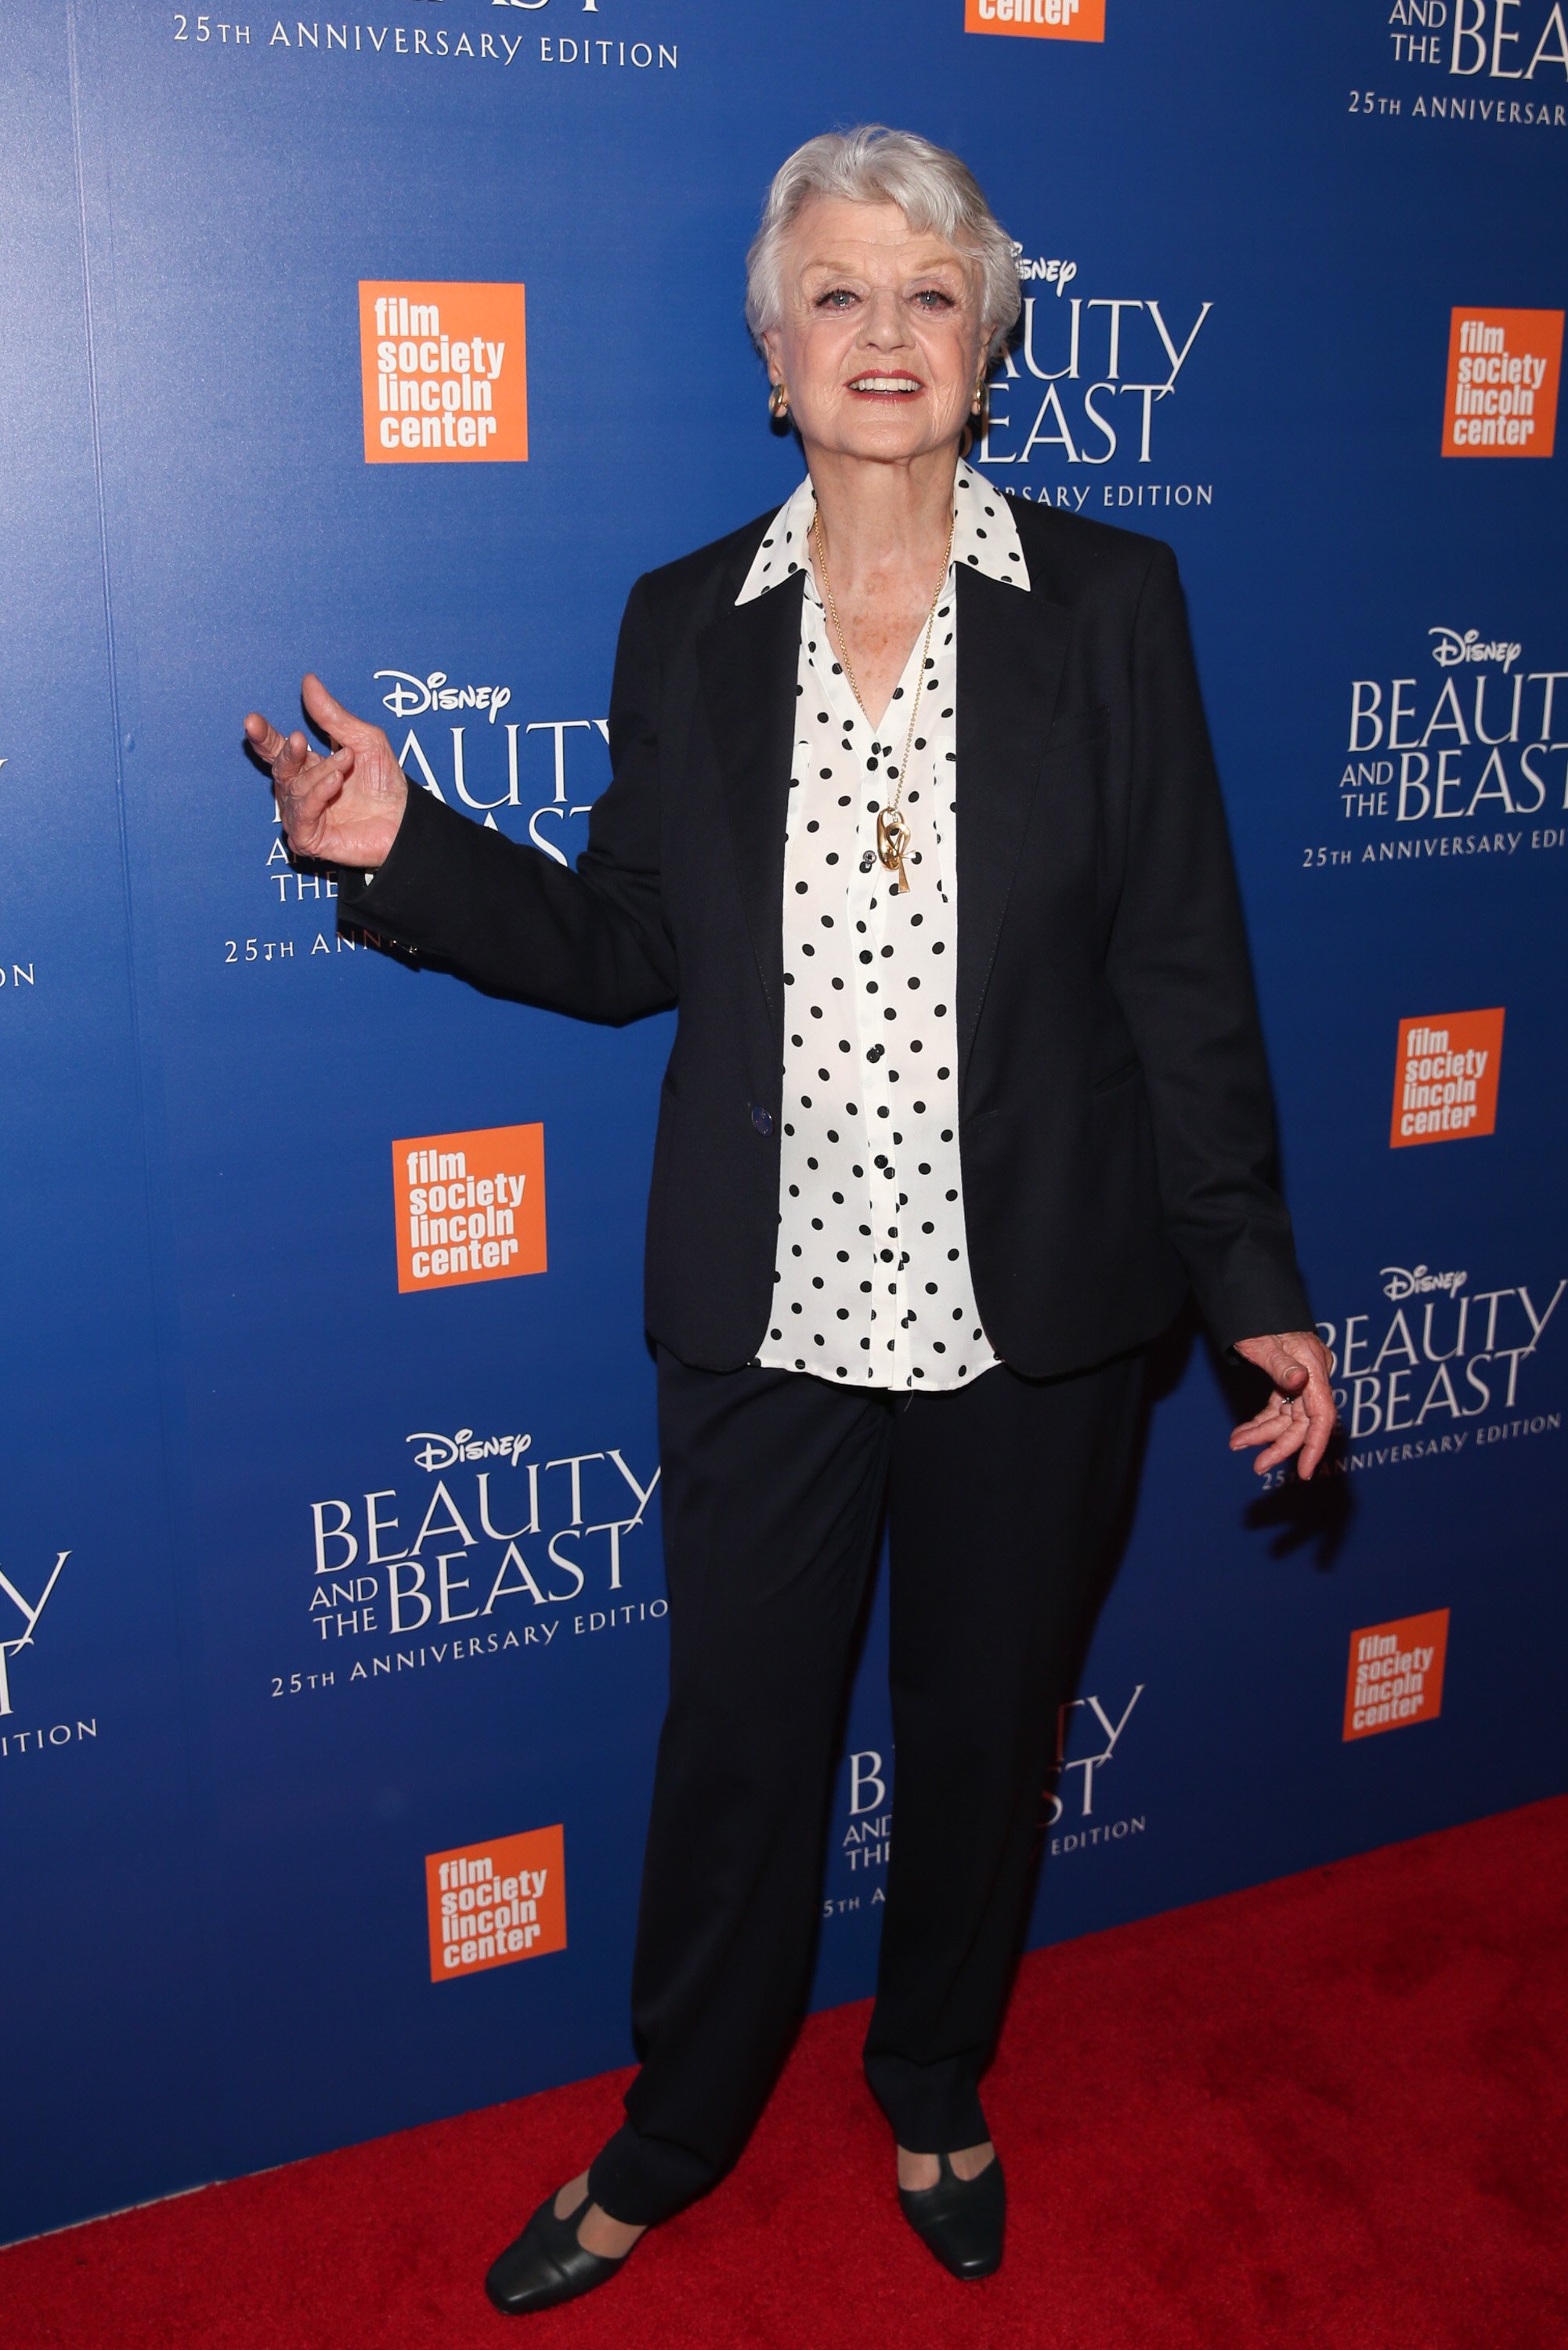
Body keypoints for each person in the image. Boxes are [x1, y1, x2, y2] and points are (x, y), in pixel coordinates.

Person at [245, 127, 1335, 2312]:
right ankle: (676, 2124)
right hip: (762, 1317)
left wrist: (1255, 1292)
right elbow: (629, 937)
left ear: (988, 349)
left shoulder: (1109, 604)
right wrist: (404, 851)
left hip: (1037, 1314)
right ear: (771, 356)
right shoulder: (683, 622)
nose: (882, 335)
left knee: (979, 1739)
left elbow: (1181, 974)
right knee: (738, 1747)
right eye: (836, 294)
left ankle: (931, 2072)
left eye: (930, 295)